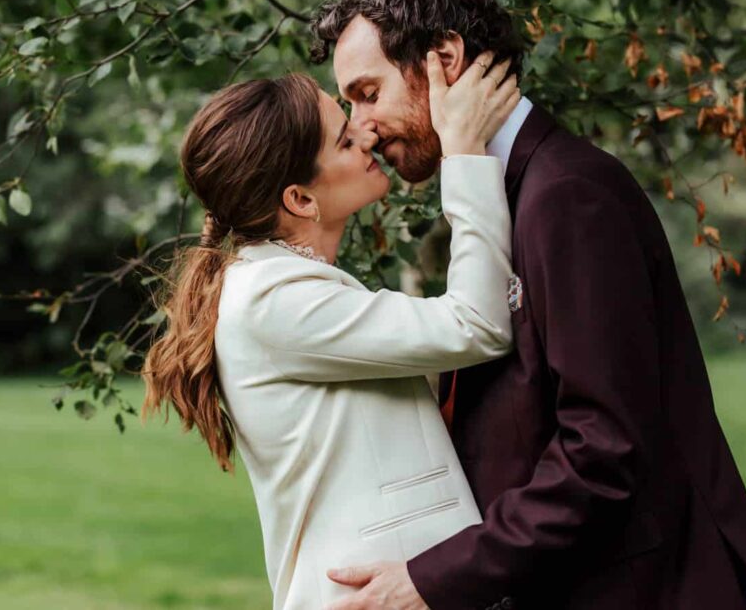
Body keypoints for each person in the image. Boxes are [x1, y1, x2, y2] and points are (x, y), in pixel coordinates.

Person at [310, 0, 746, 610]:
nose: (360, 126)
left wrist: (433, 578)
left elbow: (603, 448)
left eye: (368, 93)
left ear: (444, 59)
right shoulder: (499, 196)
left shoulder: (568, 195)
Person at [142, 51, 520, 609]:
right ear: (300, 200)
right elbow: (476, 324)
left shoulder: (286, 287)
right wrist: (464, 153)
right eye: (344, 140)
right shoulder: (274, 301)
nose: (367, 135)